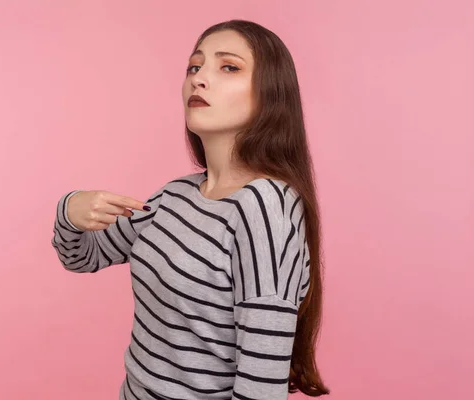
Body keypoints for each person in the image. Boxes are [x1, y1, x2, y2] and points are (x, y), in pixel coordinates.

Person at [51, 19, 329, 400]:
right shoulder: (176, 195)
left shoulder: (265, 210)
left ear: (270, 95)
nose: (199, 79)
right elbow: (81, 258)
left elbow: (260, 390)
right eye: (194, 67)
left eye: (228, 67)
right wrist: (70, 210)